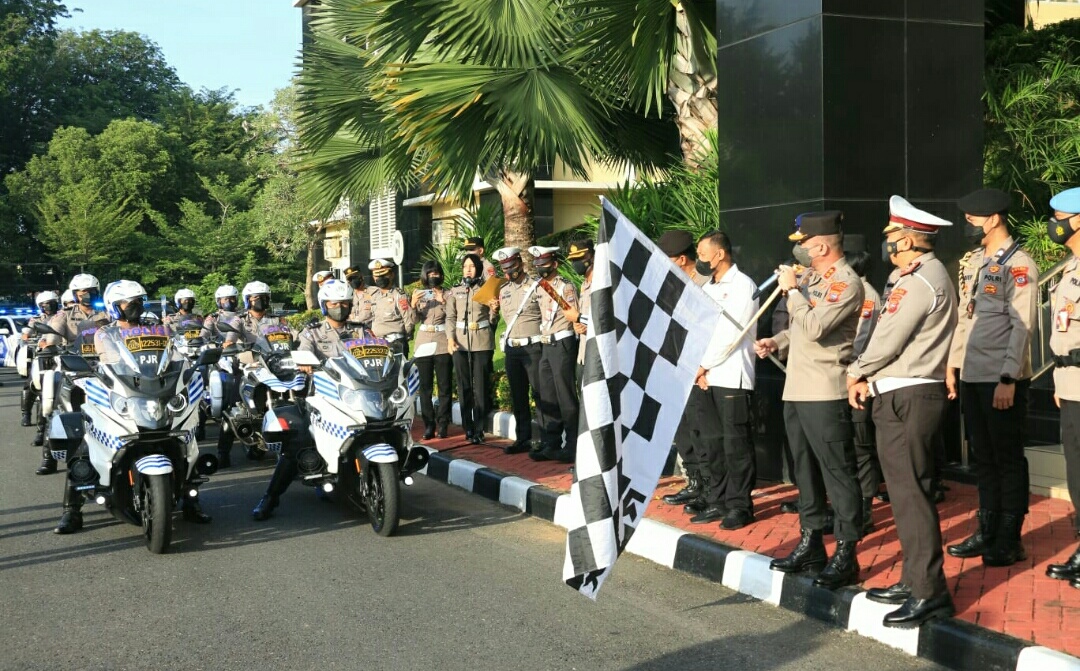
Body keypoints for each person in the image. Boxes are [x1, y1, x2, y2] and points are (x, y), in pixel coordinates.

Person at [847, 195, 957, 628]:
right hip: (903, 391)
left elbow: (889, 338)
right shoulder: (914, 276)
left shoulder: (919, 280)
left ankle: (929, 592)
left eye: (892, 235)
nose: (888, 243)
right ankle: (915, 580)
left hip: (910, 393)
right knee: (908, 492)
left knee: (911, 494)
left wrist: (856, 371)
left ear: (908, 240)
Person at [755, 212, 865, 589]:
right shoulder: (811, 280)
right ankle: (811, 541)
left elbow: (817, 327)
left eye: (804, 243)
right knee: (803, 470)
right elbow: (800, 329)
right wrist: (776, 342)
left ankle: (847, 551)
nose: (799, 249)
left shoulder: (845, 283)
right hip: (797, 388)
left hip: (824, 390)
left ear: (819, 246)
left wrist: (791, 291)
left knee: (837, 472)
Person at [54, 280, 211, 534]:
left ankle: (191, 501)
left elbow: (174, 355)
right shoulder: (104, 333)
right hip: (121, 392)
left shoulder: (157, 330)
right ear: (114, 306)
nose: (134, 307)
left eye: (138, 302)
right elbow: (110, 362)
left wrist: (186, 365)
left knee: (185, 436)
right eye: (128, 303)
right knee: (84, 440)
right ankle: (71, 510)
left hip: (154, 391)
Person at [946, 188, 1038, 567]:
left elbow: (1022, 326)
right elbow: (964, 317)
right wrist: (953, 366)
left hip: (1001, 379)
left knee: (1007, 458)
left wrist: (1008, 378)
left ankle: (1009, 538)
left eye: (973, 219)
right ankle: (987, 530)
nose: (967, 225)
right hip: (973, 375)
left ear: (994, 219)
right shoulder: (975, 262)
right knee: (983, 458)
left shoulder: (1019, 265)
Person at [253, 280, 360, 521]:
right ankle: (270, 498)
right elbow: (302, 353)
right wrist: (304, 363)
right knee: (298, 442)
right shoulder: (312, 332)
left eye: (344, 303)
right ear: (324, 305)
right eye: (334, 304)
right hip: (322, 397)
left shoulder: (362, 331)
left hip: (356, 397)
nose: (340, 308)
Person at [692, 230, 759, 530]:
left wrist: (703, 366)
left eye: (702, 253)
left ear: (719, 254)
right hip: (706, 377)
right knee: (713, 444)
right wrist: (699, 369)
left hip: (732, 376)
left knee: (736, 446)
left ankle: (740, 506)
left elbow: (733, 335)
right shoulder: (708, 287)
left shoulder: (743, 286)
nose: (699, 259)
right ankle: (717, 501)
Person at [655, 231, 712, 509]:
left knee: (700, 430)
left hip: (697, 369)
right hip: (673, 366)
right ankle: (694, 482)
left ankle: (709, 488)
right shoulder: (670, 284)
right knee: (683, 429)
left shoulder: (706, 285)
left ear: (680, 259)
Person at [1044, 187, 1080, 587]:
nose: (1054, 225)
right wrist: (1060, 380)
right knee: (1076, 470)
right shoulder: (1071, 267)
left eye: (1059, 218)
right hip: (1070, 383)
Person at [846, 238, 885, 529]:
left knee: (861, 445)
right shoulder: (850, 290)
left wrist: (850, 369)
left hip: (859, 377)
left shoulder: (867, 295)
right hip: (845, 376)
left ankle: (866, 507)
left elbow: (861, 339)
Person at [528, 245, 580, 463]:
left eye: (544, 264)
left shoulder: (565, 287)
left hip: (562, 343)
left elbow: (573, 314)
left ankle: (573, 445)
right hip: (546, 345)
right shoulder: (539, 287)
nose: (540, 268)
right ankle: (551, 442)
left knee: (565, 395)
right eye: (538, 265)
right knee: (547, 395)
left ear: (555, 264)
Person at [491, 246, 543, 455]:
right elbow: (499, 319)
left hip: (534, 346)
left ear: (520, 263)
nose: (508, 272)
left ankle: (544, 439)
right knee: (518, 395)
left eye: (511, 267)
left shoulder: (536, 286)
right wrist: (493, 311)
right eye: (504, 268)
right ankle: (523, 438)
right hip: (513, 349)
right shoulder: (504, 290)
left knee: (540, 394)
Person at [446, 254, 496, 444]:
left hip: (481, 341)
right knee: (464, 385)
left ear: (479, 269)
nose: (468, 269)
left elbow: (493, 320)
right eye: (465, 266)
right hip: (461, 343)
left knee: (480, 386)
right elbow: (450, 317)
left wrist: (495, 310)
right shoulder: (455, 290)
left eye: (472, 266)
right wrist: (450, 338)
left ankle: (479, 428)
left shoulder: (486, 290)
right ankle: (468, 427)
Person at [412, 260, 453, 439]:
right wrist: (413, 304)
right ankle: (429, 424)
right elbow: (413, 321)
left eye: (435, 273)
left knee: (444, 385)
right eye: (429, 273)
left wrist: (442, 300)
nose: (432, 277)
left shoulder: (449, 294)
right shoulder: (419, 294)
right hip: (423, 341)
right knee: (425, 387)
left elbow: (452, 315)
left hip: (442, 340)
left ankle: (443, 423)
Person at [22, 291, 60, 472]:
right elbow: (26, 334)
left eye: (51, 302)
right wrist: (30, 337)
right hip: (44, 357)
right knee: (40, 391)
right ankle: (34, 424)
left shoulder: (62, 316)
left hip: (69, 357)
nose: (49, 306)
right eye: (45, 304)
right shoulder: (37, 319)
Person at [366, 259, 414, 356]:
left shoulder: (399, 295)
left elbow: (408, 319)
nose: (380, 278)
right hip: (377, 343)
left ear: (391, 275)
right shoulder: (373, 296)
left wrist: (404, 337)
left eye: (384, 275)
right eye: (377, 276)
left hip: (395, 342)